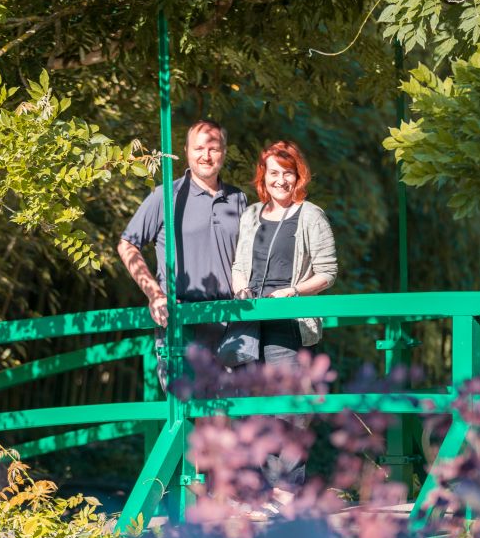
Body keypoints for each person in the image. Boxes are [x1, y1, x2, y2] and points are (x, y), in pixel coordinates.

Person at [117, 119, 248, 387]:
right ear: (187, 151)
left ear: (224, 151)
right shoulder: (167, 196)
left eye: (213, 148)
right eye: (199, 148)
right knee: (186, 413)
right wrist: (155, 295)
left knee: (232, 418)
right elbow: (127, 244)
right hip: (181, 320)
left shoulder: (238, 199)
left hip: (230, 323)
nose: (206, 155)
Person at [231, 140, 337, 369]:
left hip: (289, 321)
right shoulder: (250, 214)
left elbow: (328, 273)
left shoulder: (311, 215)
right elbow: (239, 266)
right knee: (249, 400)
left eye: (288, 173)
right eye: (274, 172)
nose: (280, 180)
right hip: (251, 321)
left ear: (298, 176)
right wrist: (241, 291)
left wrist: (293, 291)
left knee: (285, 400)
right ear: (263, 175)